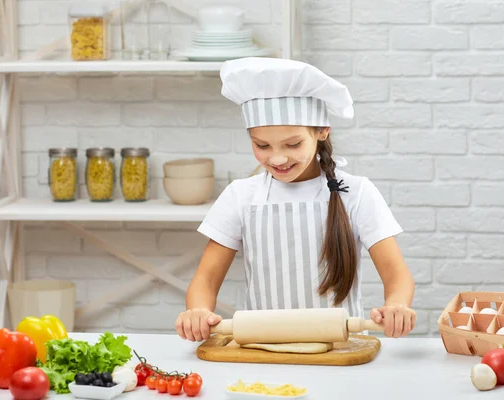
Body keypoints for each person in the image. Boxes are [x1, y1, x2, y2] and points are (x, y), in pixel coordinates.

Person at [175, 57, 416, 342]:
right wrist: (198, 311)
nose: (277, 158)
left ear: (322, 131)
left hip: (341, 350)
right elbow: (206, 279)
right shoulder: (241, 196)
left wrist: (397, 305)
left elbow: (396, 274)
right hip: (262, 348)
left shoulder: (357, 193)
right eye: (262, 145)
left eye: (293, 144)